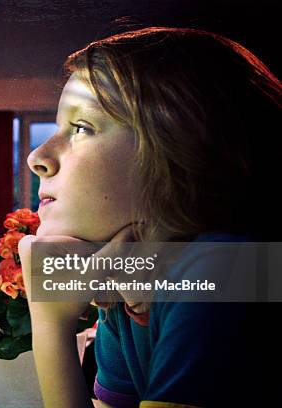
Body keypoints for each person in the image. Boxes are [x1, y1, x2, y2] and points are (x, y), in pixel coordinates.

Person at [18, 26, 281, 408]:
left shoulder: (225, 270)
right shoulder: (132, 283)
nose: (37, 157)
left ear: (179, 152)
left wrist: (50, 324)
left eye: (81, 128)